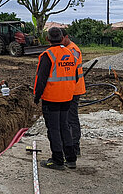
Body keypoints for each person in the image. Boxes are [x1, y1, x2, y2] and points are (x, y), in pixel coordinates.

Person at [34, 27, 78, 170]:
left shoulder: (48, 55)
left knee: (53, 129)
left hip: (52, 98)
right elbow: (75, 76)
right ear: (61, 38)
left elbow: (41, 79)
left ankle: (58, 160)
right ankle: (71, 159)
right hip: (67, 97)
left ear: (48, 39)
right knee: (64, 126)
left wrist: (37, 96)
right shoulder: (70, 53)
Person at [61, 27, 85, 157]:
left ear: (66, 37)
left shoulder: (73, 50)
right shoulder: (65, 49)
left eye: (62, 39)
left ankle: (75, 148)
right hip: (67, 89)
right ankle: (70, 146)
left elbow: (69, 68)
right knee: (67, 119)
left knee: (72, 119)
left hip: (74, 90)